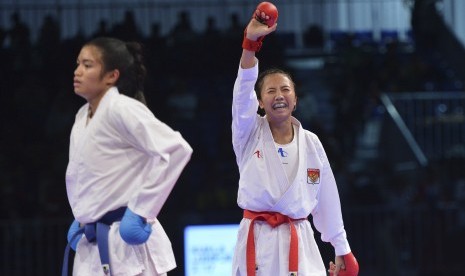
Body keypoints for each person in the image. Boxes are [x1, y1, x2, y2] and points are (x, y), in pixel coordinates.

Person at [231, 7, 359, 276]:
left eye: (285, 89)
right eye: (271, 90)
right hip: (258, 241)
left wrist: (341, 247)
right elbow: (242, 95)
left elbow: (327, 200)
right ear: (261, 102)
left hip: (300, 242)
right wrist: (250, 46)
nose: (279, 95)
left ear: (295, 100)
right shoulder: (248, 132)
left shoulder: (311, 143)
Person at [62, 37, 193, 276]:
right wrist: (83, 214)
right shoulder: (82, 115)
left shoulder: (121, 108)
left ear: (112, 76)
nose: (77, 71)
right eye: (78, 63)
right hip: (93, 243)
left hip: (125, 241)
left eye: (88, 65)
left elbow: (177, 149)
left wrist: (142, 210)